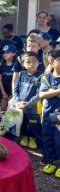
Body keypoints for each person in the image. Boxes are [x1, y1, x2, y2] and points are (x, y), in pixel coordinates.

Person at [14, 52, 43, 150]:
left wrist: (28, 104)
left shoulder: (40, 76)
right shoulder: (21, 74)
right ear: (23, 64)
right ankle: (24, 136)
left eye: (34, 61)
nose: (32, 63)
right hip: (20, 105)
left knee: (34, 123)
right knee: (23, 122)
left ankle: (33, 138)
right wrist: (17, 101)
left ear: (38, 63)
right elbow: (16, 88)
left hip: (33, 107)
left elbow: (39, 94)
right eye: (28, 61)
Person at [39, 49, 60, 177]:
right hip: (47, 115)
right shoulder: (46, 78)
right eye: (58, 60)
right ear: (51, 62)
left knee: (59, 140)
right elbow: (42, 94)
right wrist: (58, 91)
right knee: (48, 138)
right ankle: (51, 161)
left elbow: (47, 94)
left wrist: (52, 91)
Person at [0, 45, 17, 117]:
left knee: (11, 110)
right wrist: (3, 92)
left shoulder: (17, 65)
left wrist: (14, 93)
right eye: (4, 53)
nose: (5, 54)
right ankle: (2, 124)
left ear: (14, 53)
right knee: (3, 109)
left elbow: (17, 80)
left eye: (7, 52)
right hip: (4, 90)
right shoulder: (1, 65)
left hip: (13, 91)